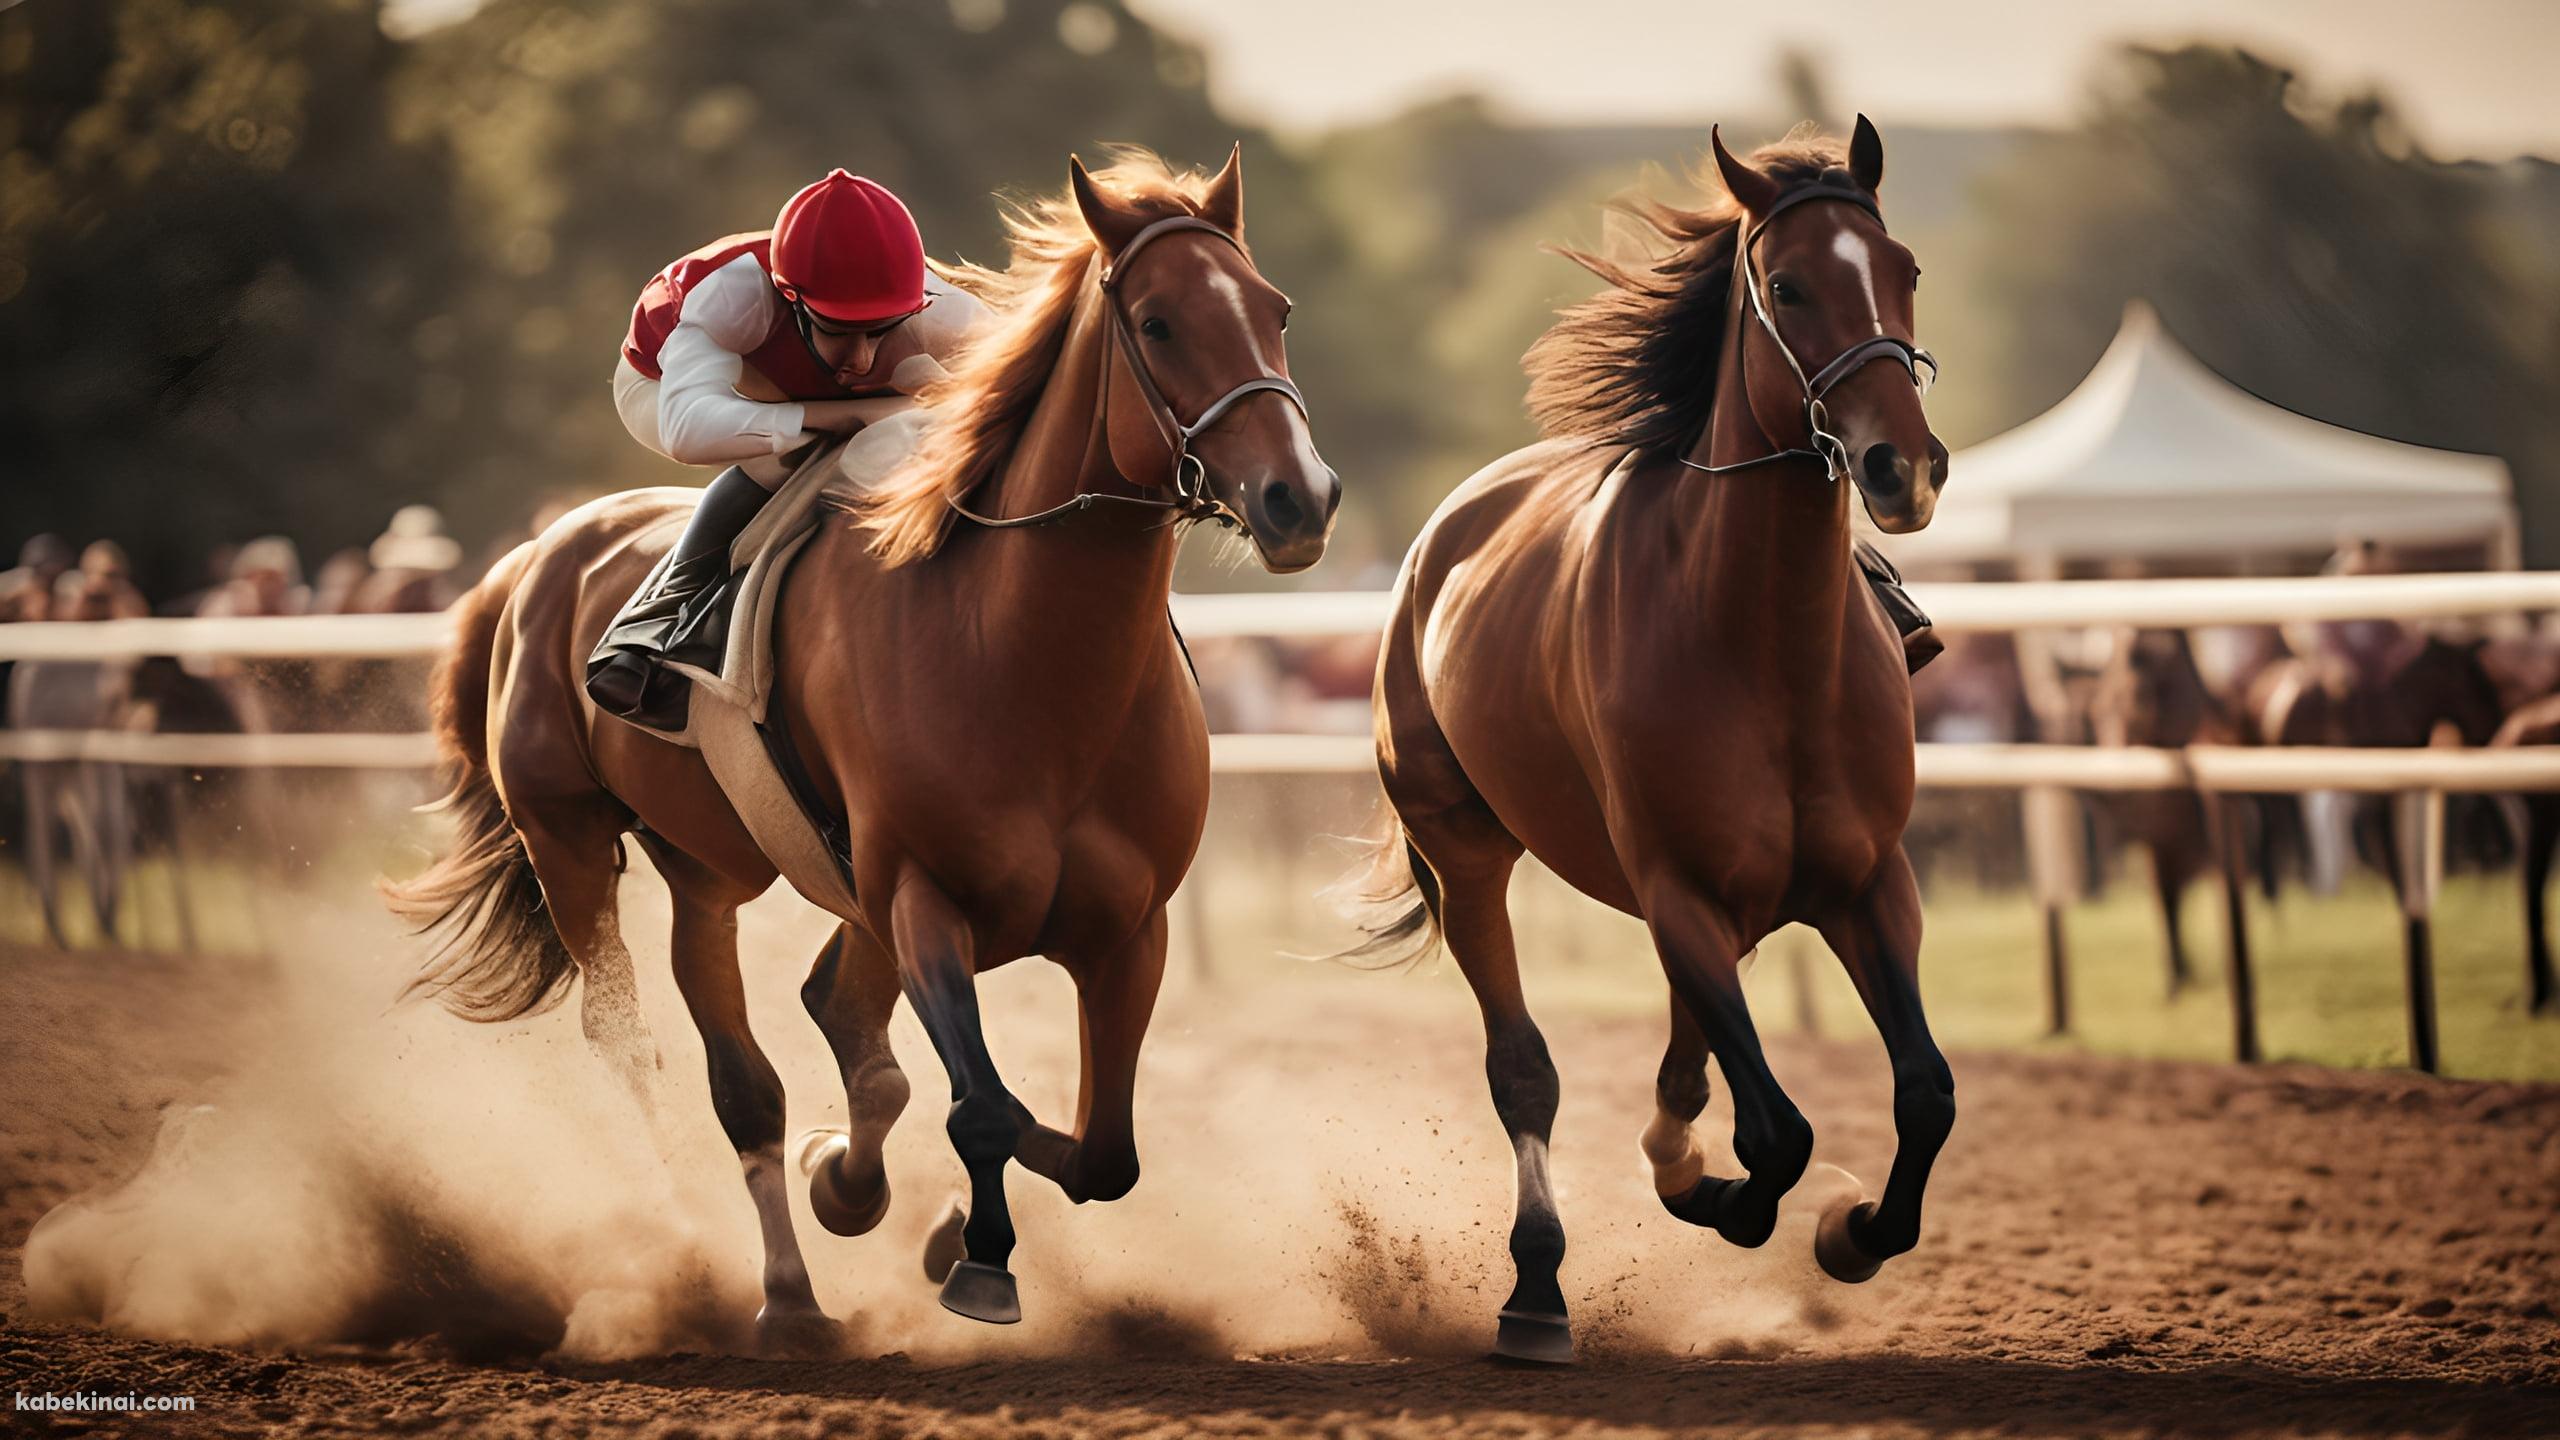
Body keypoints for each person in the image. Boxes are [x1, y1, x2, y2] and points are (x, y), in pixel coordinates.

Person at [587, 169, 984, 727]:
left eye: (880, 331)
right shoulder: (730, 293)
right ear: (789, 297)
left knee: (925, 417)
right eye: (839, 330)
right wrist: (850, 413)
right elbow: (687, 431)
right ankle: (650, 623)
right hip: (664, 389)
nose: (863, 358)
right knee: (780, 454)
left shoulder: (940, 304)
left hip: (797, 385)